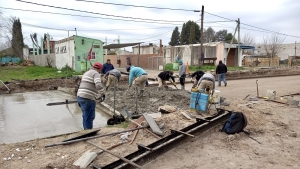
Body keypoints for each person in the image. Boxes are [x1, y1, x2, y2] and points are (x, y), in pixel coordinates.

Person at [77, 62, 105, 130]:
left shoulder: (86, 73)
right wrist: (102, 93)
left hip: (80, 97)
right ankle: (89, 132)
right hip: (88, 98)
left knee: (85, 116)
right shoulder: (96, 73)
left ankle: (85, 131)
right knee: (90, 117)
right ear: (100, 69)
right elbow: (98, 84)